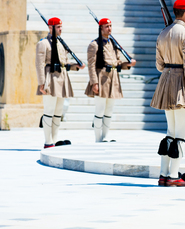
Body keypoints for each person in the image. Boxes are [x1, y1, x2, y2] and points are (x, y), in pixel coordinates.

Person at [151, 0, 185, 187]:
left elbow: (159, 65)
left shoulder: (163, 33)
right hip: (182, 84)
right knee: (181, 133)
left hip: (166, 81)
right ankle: (173, 176)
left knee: (170, 131)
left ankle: (164, 173)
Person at [36, 17, 85, 149]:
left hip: (62, 79)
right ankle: (48, 141)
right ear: (50, 27)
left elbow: (65, 64)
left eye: (61, 27)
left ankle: (54, 140)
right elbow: (39, 64)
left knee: (58, 111)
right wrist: (41, 83)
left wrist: (76, 66)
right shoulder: (43, 43)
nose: (60, 29)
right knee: (49, 110)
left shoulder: (61, 44)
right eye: (58, 27)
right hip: (50, 79)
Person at [85, 18, 136, 142]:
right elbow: (91, 65)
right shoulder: (94, 44)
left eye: (110, 26)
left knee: (109, 110)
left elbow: (117, 62)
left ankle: (105, 137)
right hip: (101, 78)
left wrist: (127, 64)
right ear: (101, 28)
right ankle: (98, 139)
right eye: (107, 26)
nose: (109, 28)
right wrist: (94, 83)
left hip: (113, 79)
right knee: (100, 110)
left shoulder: (113, 44)